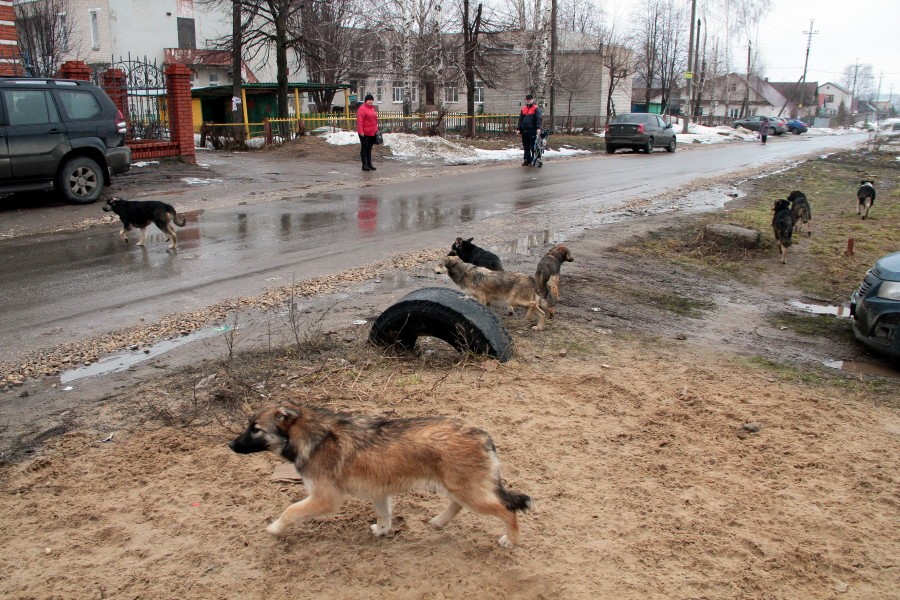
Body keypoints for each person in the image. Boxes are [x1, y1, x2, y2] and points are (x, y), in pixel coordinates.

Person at [516, 94, 543, 166]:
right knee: (526, 146)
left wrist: (538, 128)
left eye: (530, 100)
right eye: (527, 100)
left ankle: (535, 159)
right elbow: (520, 119)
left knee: (533, 146)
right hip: (525, 130)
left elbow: (538, 119)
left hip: (532, 130)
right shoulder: (523, 109)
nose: (528, 101)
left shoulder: (536, 108)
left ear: (532, 100)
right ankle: (527, 159)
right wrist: (519, 128)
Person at [356, 93, 379, 171]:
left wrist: (376, 130)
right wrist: (361, 131)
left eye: (371, 100)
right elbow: (360, 121)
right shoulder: (361, 109)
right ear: (366, 101)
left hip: (372, 132)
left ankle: (369, 164)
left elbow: (375, 120)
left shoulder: (372, 108)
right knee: (364, 148)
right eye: (369, 100)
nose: (370, 101)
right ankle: (364, 165)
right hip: (364, 132)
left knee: (369, 148)